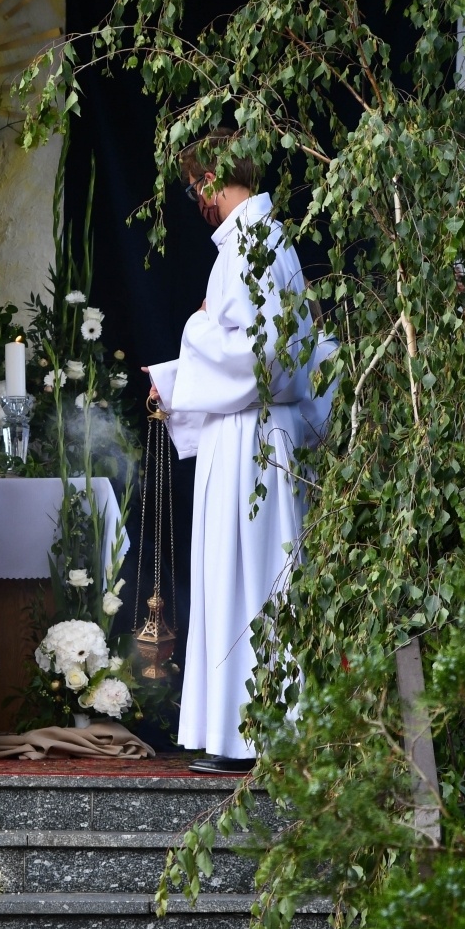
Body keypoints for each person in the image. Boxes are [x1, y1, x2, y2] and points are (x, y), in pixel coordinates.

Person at [145, 129, 325, 775]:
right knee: (243, 581)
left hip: (251, 439)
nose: (198, 197)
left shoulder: (252, 242)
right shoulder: (260, 241)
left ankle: (259, 732)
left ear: (211, 180)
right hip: (245, 435)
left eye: (198, 182)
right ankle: (247, 730)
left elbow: (264, 357)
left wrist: (194, 329)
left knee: (249, 583)